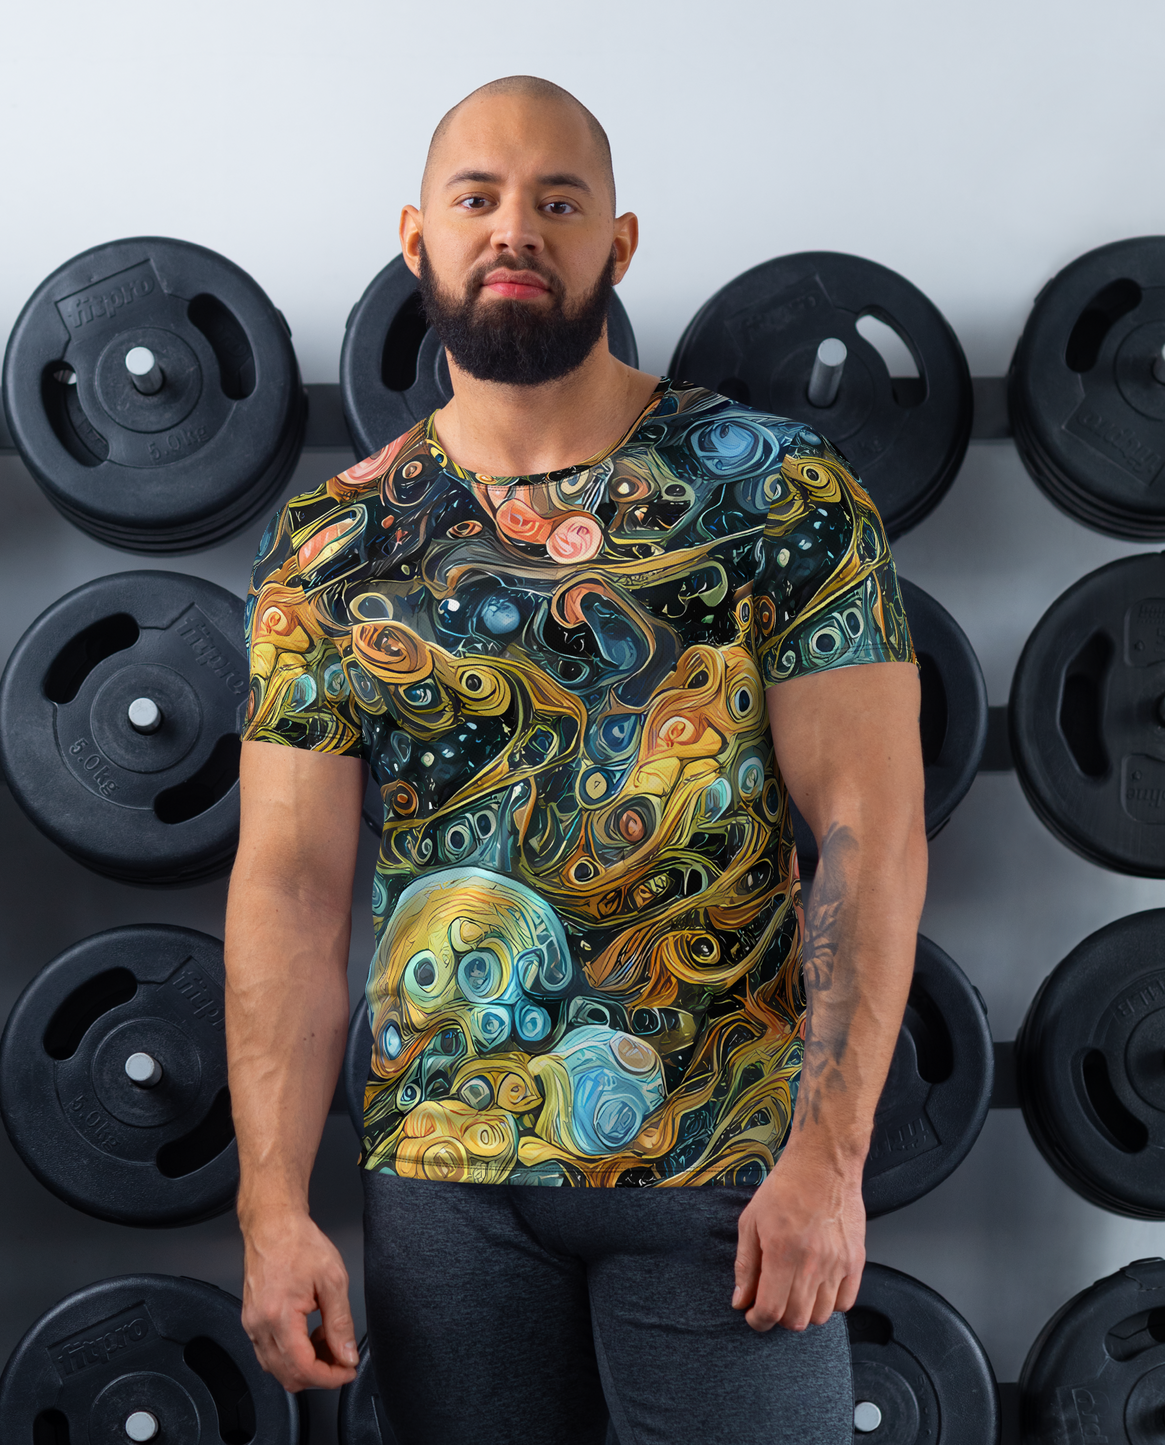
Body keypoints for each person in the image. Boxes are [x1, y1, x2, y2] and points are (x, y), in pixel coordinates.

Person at [227, 74, 926, 1445]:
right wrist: (271, 1204)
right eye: (478, 198)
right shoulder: (330, 548)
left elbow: (871, 828)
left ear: (620, 241)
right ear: (417, 238)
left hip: (728, 1169)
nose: (516, 229)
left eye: (559, 201)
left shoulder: (775, 489)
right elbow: (291, 887)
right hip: (445, 1179)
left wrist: (830, 1160)